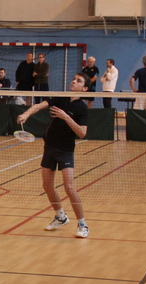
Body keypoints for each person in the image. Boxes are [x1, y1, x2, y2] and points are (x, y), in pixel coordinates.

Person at [17, 71, 91, 238]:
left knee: (69, 188)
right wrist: (26, 114)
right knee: (47, 186)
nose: (73, 81)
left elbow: (82, 133)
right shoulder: (61, 98)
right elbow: (40, 105)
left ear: (85, 88)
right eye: (74, 79)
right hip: (49, 147)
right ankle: (60, 216)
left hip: (65, 150)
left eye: (78, 81)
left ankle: (82, 224)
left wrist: (65, 117)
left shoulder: (82, 108)